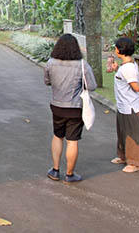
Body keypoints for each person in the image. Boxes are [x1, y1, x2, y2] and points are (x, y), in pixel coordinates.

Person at [43, 34, 97, 182]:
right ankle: (69, 174)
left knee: (57, 136)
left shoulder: (50, 63)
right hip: (74, 108)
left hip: (57, 106)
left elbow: (47, 82)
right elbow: (92, 86)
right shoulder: (81, 65)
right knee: (72, 140)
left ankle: (55, 170)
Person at [109, 36, 139, 173]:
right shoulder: (125, 66)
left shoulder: (128, 68)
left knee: (132, 135)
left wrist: (132, 84)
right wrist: (116, 69)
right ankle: (123, 156)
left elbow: (136, 87)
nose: (114, 50)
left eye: (115, 47)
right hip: (123, 106)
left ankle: (136, 162)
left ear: (119, 50)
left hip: (131, 107)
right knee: (122, 132)